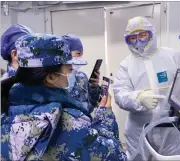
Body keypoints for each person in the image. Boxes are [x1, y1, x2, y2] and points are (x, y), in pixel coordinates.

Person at [1, 33, 127, 161]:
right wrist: (105, 118)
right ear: (51, 77)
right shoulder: (68, 122)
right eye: (70, 69)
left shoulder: (6, 107)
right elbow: (114, 156)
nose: (72, 73)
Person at [113, 16, 180, 160]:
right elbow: (120, 94)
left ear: (151, 33)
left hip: (170, 126)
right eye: (132, 38)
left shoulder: (173, 56)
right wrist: (138, 98)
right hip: (139, 128)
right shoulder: (125, 65)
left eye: (143, 35)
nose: (138, 41)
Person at [62, 34, 101, 113]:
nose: (80, 58)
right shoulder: (54, 79)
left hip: (84, 122)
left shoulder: (81, 77)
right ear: (66, 53)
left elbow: (90, 105)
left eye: (82, 54)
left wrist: (94, 88)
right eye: (78, 54)